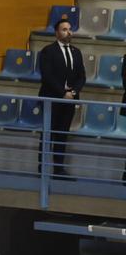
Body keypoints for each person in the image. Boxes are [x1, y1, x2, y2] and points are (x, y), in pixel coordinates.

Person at [37, 19, 84, 178]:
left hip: (69, 100)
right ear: (57, 32)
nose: (68, 32)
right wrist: (62, 92)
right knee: (47, 134)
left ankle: (58, 169)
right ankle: (43, 168)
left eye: (70, 29)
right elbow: (47, 76)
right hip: (51, 99)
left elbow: (81, 77)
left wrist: (74, 92)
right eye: (64, 29)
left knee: (62, 134)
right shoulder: (48, 51)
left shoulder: (76, 52)